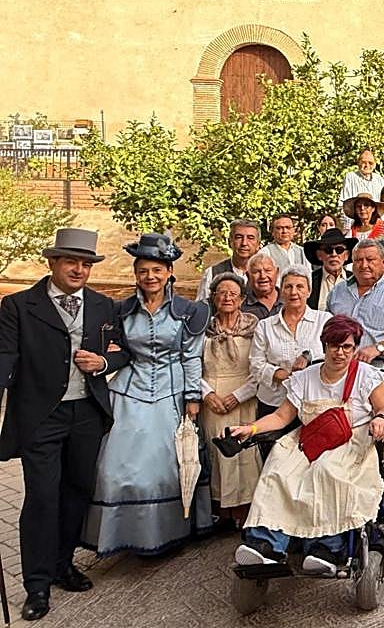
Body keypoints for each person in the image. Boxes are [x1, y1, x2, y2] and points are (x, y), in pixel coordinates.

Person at [0, 228, 130, 622]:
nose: (79, 269)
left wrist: (103, 363)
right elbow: (4, 359)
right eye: (71, 261)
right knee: (41, 497)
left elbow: (122, 350)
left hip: (87, 414)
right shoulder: (19, 306)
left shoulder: (104, 306)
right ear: (53, 263)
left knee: (77, 491)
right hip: (41, 417)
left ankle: (62, 563)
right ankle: (36, 584)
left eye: (86, 263)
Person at [232, 315, 384, 571]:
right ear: (324, 345)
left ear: (354, 349)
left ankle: (326, 547)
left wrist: (382, 419)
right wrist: (250, 428)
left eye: (347, 347)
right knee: (278, 469)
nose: (340, 353)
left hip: (352, 440)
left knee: (326, 472)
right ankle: (266, 545)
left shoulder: (365, 374)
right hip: (309, 439)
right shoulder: (305, 377)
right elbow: (281, 417)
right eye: (335, 346)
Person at [83, 233, 213, 557]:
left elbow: (191, 356)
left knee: (164, 468)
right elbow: (120, 351)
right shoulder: (122, 311)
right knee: (113, 468)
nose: (150, 277)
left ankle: (164, 535)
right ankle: (121, 534)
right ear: (136, 274)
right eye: (143, 271)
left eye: (157, 270)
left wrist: (193, 397)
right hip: (129, 391)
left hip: (172, 392)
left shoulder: (188, 311)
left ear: (169, 271)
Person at [200, 272, 261, 527]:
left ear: (242, 299)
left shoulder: (255, 327)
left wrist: (237, 396)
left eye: (233, 293)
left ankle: (245, 511)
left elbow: (260, 368)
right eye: (221, 293)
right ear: (213, 298)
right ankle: (219, 512)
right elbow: (191, 366)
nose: (227, 297)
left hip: (244, 397)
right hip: (212, 402)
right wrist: (207, 394)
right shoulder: (202, 328)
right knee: (217, 453)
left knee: (244, 454)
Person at [250, 266, 331, 449]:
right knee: (274, 458)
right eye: (288, 287)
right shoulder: (265, 326)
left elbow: (334, 355)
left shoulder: (324, 320)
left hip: (313, 405)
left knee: (308, 459)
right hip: (274, 403)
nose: (294, 292)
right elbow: (255, 365)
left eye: (300, 287)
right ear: (281, 292)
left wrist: (308, 356)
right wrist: (281, 374)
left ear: (309, 291)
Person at [326, 239, 384, 373]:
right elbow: (327, 329)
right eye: (359, 260)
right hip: (343, 372)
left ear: (383, 262)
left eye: (370, 260)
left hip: (383, 371)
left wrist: (378, 349)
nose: (364, 265)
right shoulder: (338, 292)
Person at [197, 219, 261, 302]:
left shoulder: (266, 275)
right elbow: (202, 308)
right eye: (239, 237)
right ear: (230, 242)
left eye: (250, 238)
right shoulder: (213, 273)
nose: (244, 243)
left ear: (258, 244)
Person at [303, 228, 354, 311]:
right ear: (319, 255)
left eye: (339, 250)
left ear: (347, 255)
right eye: (328, 250)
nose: (334, 254)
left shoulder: (356, 280)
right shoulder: (309, 281)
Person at [242, 250, 282, 320]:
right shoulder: (241, 306)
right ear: (248, 275)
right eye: (256, 271)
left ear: (277, 272)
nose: (263, 276)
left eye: (268, 270)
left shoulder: (290, 299)